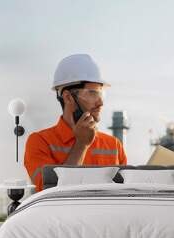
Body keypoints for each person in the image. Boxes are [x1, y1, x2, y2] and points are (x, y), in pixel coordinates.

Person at [24, 54, 127, 192]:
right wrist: (81, 144)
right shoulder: (39, 142)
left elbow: (124, 194)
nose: (100, 102)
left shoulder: (113, 145)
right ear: (68, 97)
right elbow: (48, 193)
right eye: (92, 93)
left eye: (101, 94)